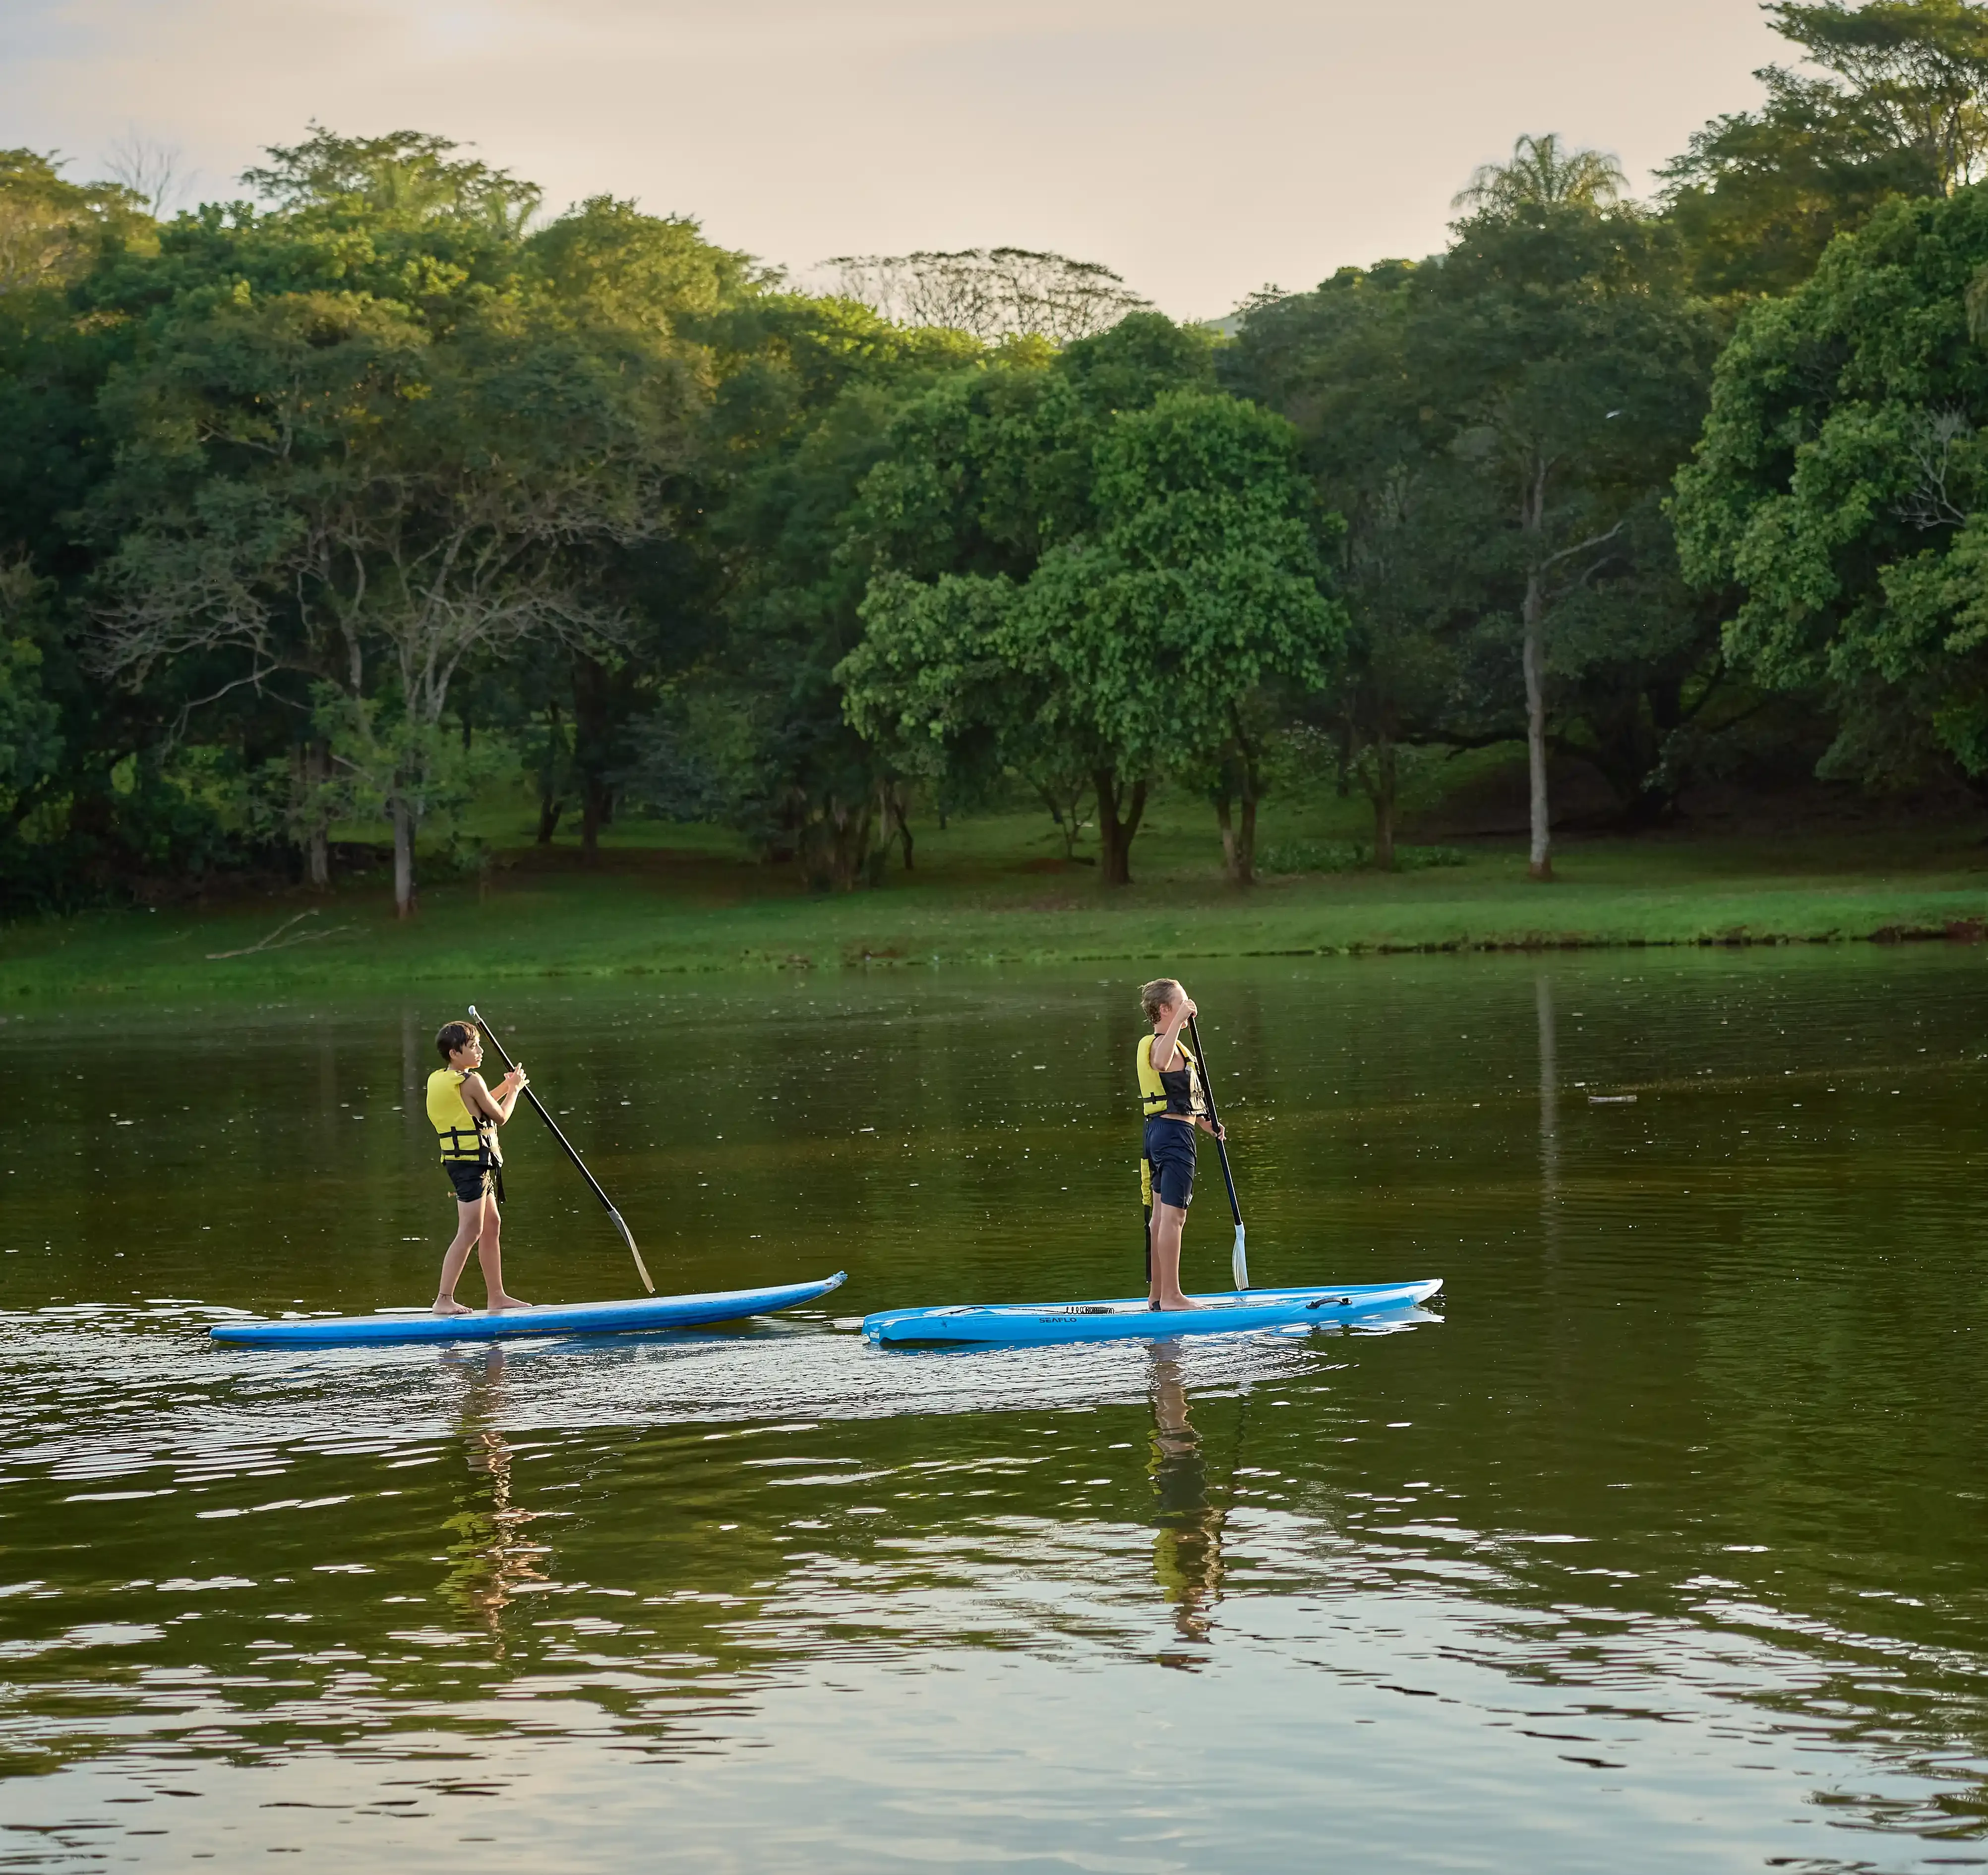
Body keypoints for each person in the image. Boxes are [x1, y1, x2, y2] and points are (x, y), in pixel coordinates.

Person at [426, 1019, 531, 1316]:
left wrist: (509, 1085)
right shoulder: (471, 1081)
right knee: (471, 1230)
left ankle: (496, 1296)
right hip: (471, 1165)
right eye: (473, 1047)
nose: (480, 1051)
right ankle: (443, 1298)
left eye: (479, 1045)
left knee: (492, 1225)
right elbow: (499, 1117)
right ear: (454, 1054)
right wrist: (514, 1091)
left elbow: (480, 1105)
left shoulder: (445, 1079)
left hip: (469, 1162)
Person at [1136, 978, 1225, 1311]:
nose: (1190, 1007)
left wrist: (1206, 1123)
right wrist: (1177, 1022)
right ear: (1165, 1010)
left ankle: (1157, 1297)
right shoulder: (1161, 1044)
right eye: (1183, 1003)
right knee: (1173, 1218)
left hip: (1164, 1132)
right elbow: (1160, 1062)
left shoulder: (1175, 1047)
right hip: (1171, 1140)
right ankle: (1173, 1296)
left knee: (1160, 1218)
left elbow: (1180, 1098)